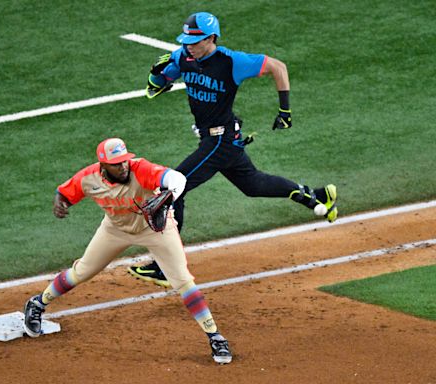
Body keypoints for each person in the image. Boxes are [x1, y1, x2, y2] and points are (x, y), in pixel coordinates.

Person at [128, 12, 338, 287]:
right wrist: (156, 74)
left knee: (172, 188)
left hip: (220, 141)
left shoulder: (232, 62)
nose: (189, 46)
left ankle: (166, 267)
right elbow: (155, 88)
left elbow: (279, 67)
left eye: (196, 41)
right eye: (186, 41)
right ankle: (319, 195)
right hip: (216, 140)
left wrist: (284, 110)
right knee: (252, 184)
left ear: (211, 38)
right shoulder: (182, 57)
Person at [22, 137, 232, 365]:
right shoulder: (89, 178)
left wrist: (171, 194)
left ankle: (215, 336)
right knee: (82, 272)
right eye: (116, 163)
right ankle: (38, 303)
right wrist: (60, 202)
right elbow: (64, 192)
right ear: (103, 166)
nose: (123, 166)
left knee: (182, 281)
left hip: (154, 229)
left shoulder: (140, 169)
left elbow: (176, 178)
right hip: (114, 230)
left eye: (124, 160)